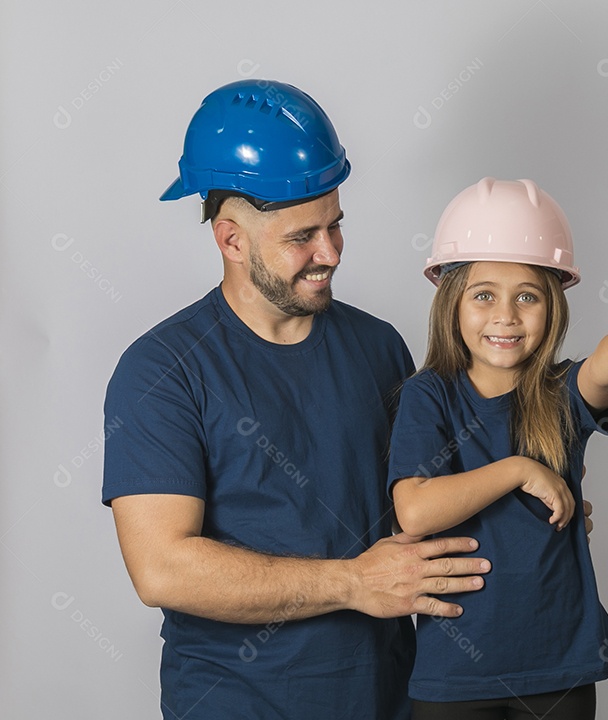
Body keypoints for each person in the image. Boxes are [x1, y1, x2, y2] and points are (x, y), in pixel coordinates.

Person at [102, 79, 493, 720]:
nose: (330, 254)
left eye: (336, 226)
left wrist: (523, 508)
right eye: (302, 237)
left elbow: (423, 502)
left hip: (391, 698)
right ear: (230, 239)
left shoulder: (379, 347)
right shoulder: (162, 371)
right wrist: (353, 582)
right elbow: (164, 568)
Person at [388, 177, 608, 720]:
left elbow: (606, 361)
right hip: (455, 673)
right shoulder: (428, 394)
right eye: (484, 295)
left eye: (526, 296)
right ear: (452, 303)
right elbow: (414, 510)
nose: (506, 315)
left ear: (551, 307)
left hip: (559, 667)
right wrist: (519, 470)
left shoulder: (561, 393)